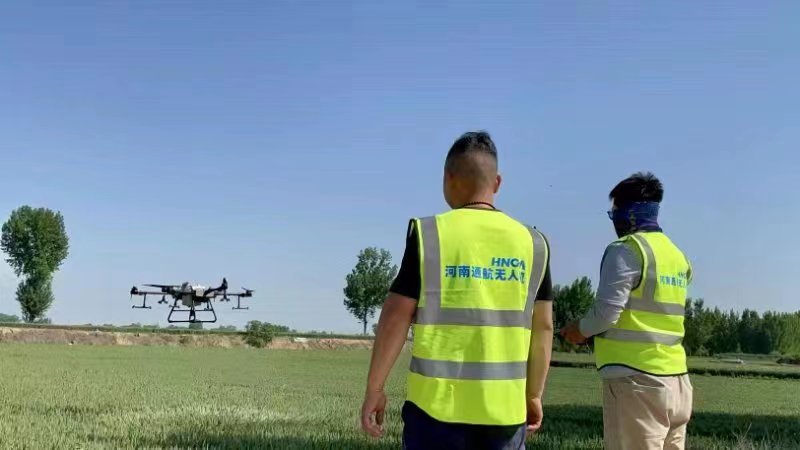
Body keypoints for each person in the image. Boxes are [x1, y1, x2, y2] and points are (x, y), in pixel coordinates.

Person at [360, 131, 555, 450]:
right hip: (504, 413)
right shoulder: (534, 244)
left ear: (447, 178)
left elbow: (396, 316)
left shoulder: (430, 234)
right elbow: (543, 327)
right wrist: (533, 394)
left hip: (434, 411)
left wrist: (375, 388)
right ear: (497, 183)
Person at [560, 172, 693, 450]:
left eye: (615, 213)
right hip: (678, 383)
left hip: (638, 382)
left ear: (628, 213)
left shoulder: (626, 250)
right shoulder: (677, 256)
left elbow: (606, 313)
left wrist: (579, 330)